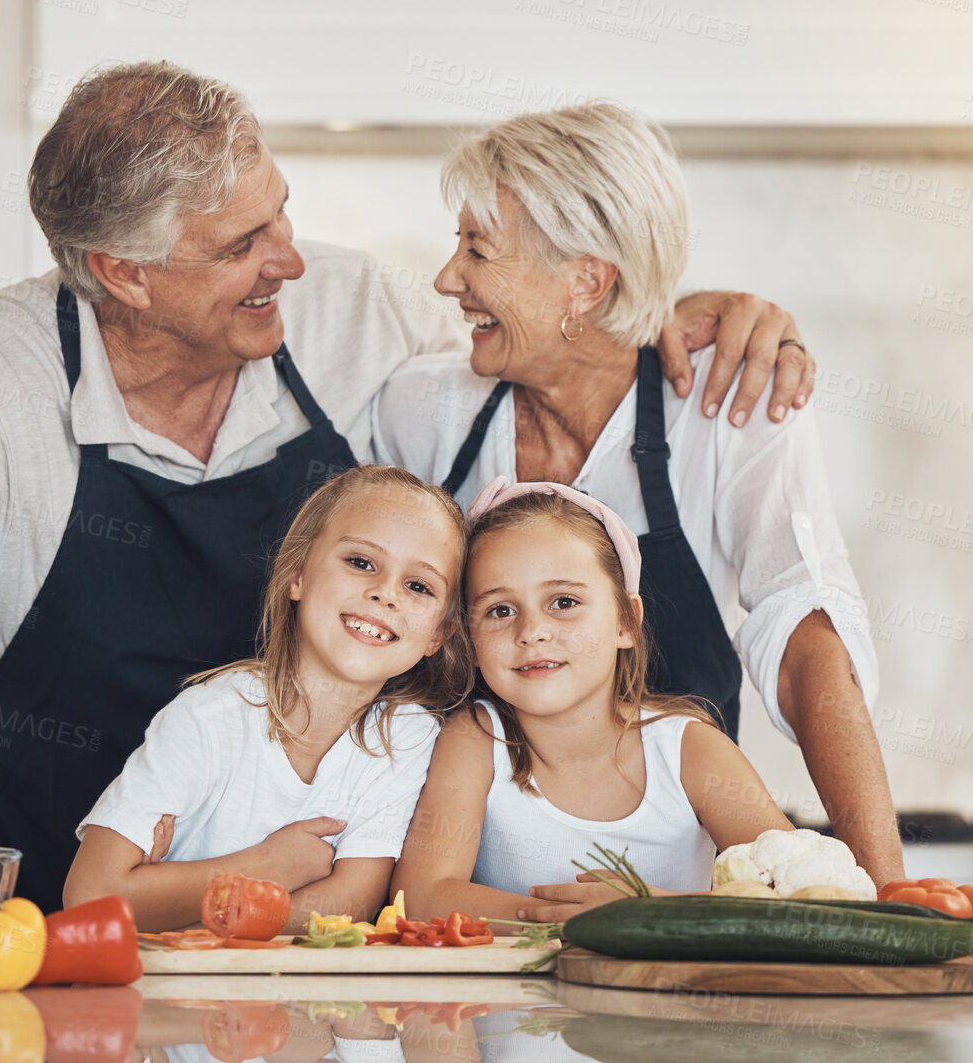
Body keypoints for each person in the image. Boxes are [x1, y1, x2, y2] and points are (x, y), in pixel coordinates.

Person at [0, 60, 818, 971]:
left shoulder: (348, 316)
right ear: (122, 274)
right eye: (243, 243)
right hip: (68, 955)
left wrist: (679, 310)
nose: (290, 258)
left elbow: (552, 327)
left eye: (280, 212)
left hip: (323, 966)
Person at [375, 102, 903, 885]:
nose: (448, 279)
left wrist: (884, 890)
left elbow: (806, 644)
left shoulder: (728, 404)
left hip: (676, 918)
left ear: (585, 280)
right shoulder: (420, 411)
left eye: (477, 250)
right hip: (466, 915)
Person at [63, 465, 470, 930]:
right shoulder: (207, 718)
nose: (384, 593)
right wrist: (273, 865)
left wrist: (175, 902)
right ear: (297, 574)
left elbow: (352, 902)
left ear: (440, 632)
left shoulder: (408, 737)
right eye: (361, 562)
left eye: (418, 586)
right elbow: (91, 897)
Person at [393, 480, 792, 924]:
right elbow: (422, 898)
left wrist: (647, 914)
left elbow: (797, 894)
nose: (532, 631)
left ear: (626, 621)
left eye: (563, 602)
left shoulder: (691, 751)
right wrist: (584, 920)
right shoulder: (475, 737)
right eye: (500, 610)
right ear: (469, 635)